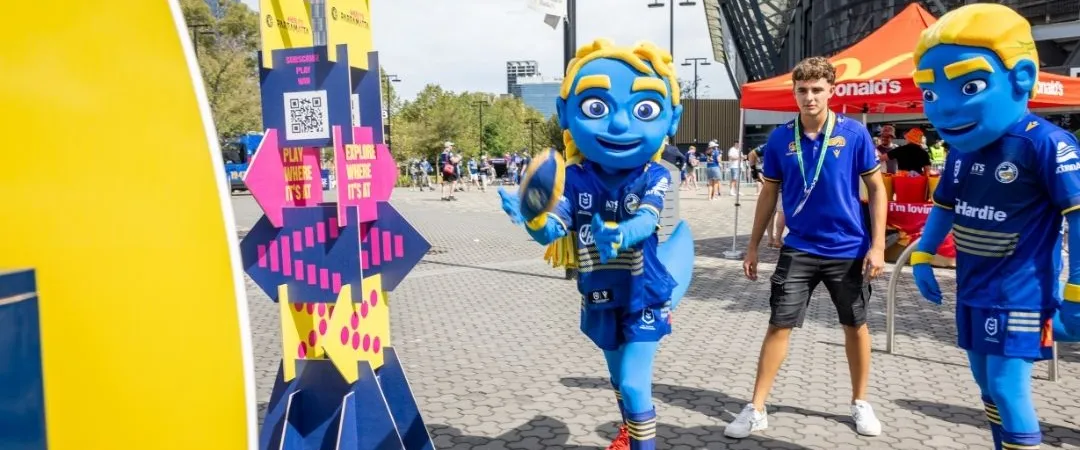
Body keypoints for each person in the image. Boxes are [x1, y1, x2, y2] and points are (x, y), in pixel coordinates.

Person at [497, 39, 694, 450]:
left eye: (644, 109)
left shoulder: (653, 174)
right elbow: (553, 229)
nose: (620, 124)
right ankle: (628, 433)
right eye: (596, 107)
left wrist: (621, 233)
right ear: (565, 112)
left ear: (671, 118)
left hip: (643, 293)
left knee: (635, 384)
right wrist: (532, 218)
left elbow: (648, 219)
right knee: (618, 379)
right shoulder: (574, 177)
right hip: (599, 293)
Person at [909, 4, 1080, 449]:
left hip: (1021, 295)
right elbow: (944, 206)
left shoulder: (1046, 143)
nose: (944, 108)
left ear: (1021, 77)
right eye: (930, 94)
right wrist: (924, 253)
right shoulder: (962, 151)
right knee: (985, 385)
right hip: (972, 290)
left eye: (969, 86)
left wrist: (1078, 290)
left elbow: (1078, 216)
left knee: (1007, 387)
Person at [726, 55, 888, 439]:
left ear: (831, 91)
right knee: (778, 324)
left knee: (855, 325)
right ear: (794, 92)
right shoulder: (780, 138)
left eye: (817, 89)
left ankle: (860, 402)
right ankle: (757, 408)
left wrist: (879, 246)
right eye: (803, 90)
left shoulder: (853, 133)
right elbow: (769, 194)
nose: (810, 97)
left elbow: (877, 189)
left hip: (848, 248)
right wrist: (753, 246)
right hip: (798, 248)